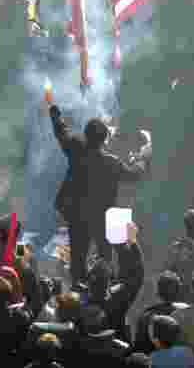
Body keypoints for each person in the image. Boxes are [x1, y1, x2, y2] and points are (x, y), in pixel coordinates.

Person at [47, 96, 151, 283]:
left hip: (77, 214)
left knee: (78, 257)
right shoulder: (112, 163)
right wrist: (143, 156)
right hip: (104, 217)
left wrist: (55, 115)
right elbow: (135, 174)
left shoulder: (76, 148)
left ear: (85, 135)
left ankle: (79, 287)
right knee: (105, 256)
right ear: (105, 139)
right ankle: (105, 286)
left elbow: (61, 132)